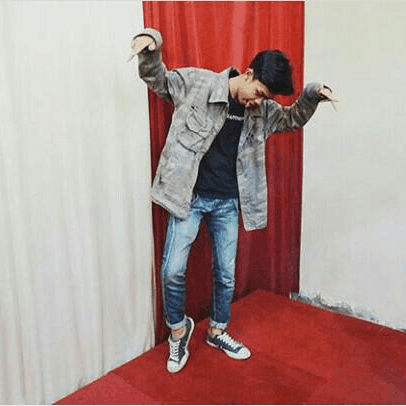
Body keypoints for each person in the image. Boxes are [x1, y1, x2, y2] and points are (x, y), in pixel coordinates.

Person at [129, 28, 337, 374]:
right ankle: (178, 332)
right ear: (249, 74)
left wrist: (313, 94)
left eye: (266, 98)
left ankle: (217, 331)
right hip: (189, 198)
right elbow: (158, 80)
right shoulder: (198, 84)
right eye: (259, 93)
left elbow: (292, 118)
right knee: (172, 271)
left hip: (228, 202)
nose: (259, 101)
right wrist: (151, 44)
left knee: (226, 274)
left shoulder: (263, 111)